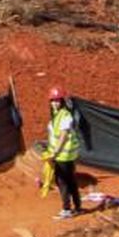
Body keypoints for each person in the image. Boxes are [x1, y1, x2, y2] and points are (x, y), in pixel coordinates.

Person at [43, 87, 83, 220]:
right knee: (71, 181)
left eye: (57, 100)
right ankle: (78, 207)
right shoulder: (57, 115)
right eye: (53, 101)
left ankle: (67, 209)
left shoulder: (65, 115)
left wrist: (55, 152)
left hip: (63, 156)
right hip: (65, 155)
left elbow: (63, 136)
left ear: (62, 101)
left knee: (62, 182)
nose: (55, 103)